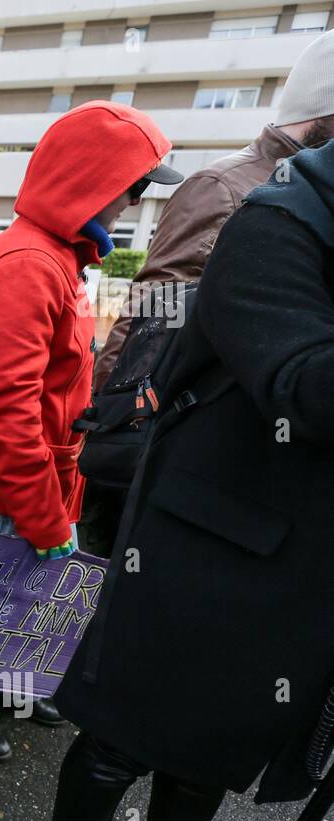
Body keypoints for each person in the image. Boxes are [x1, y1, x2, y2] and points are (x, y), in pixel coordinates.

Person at [47, 139, 334, 821]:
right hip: (203, 540)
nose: (132, 205)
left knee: (213, 749)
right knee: (122, 734)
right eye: (125, 191)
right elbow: (163, 313)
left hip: (295, 567)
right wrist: (52, 493)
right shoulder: (273, 217)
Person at [0, 101, 182, 762]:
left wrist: (82, 413)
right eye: (131, 188)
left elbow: (45, 384)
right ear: (94, 183)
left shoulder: (55, 258)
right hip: (4, 483)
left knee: (21, 599)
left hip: (35, 472)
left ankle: (12, 692)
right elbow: (8, 412)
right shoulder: (30, 267)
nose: (132, 203)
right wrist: (44, 519)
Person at [85, 30, 334, 554]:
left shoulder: (296, 191)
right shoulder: (228, 187)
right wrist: (117, 431)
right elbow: (154, 314)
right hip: (179, 461)